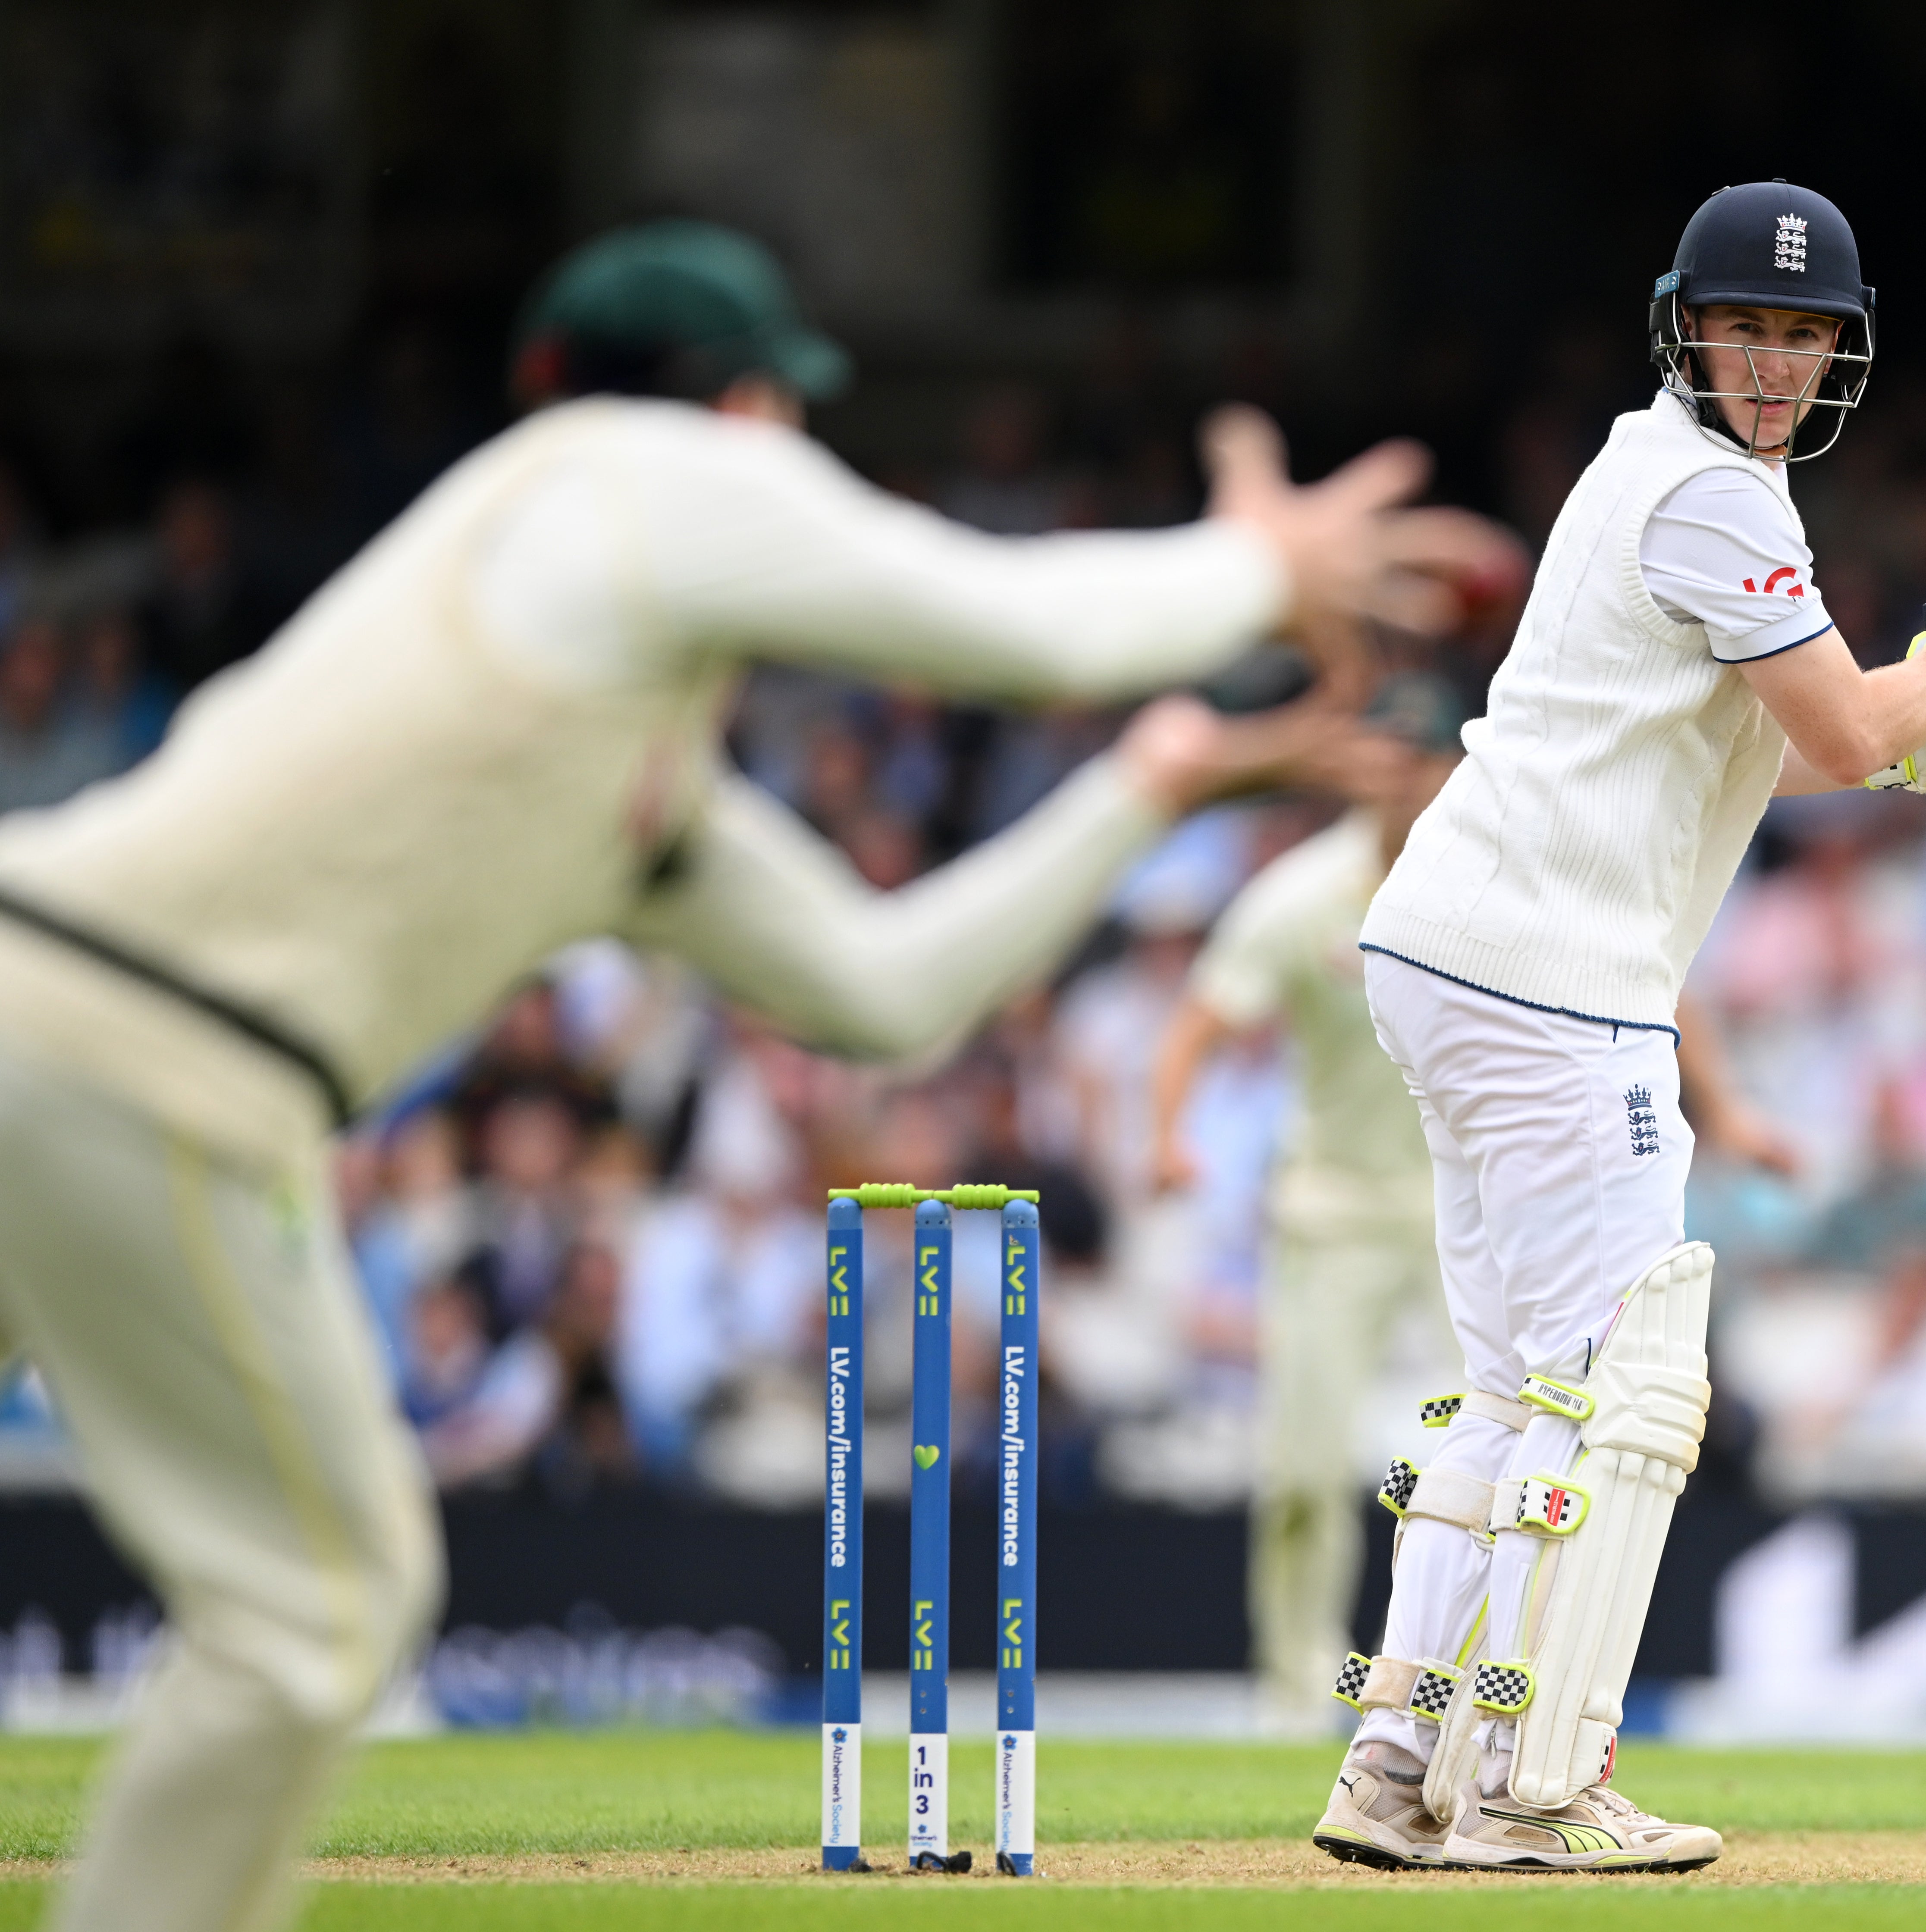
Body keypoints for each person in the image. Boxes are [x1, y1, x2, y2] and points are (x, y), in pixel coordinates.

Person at [0, 220, 1513, 1932]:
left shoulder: (624, 762)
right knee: (321, 1609)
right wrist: (1251, 565)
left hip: (58, 1017)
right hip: (130, 1045)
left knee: (313, 1611)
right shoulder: (619, 473)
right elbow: (1005, 622)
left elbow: (887, 993)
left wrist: (1145, 789)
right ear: (748, 408)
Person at [1319, 182, 1926, 1873]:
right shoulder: (1705, 496)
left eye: (1802, 337)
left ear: (1838, 356)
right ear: (1685, 327)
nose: (1771, 361)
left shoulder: (1661, 479)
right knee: (1616, 1394)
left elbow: (1812, 748)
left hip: (1458, 950)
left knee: (1518, 1395)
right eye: (1744, 327)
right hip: (1543, 977)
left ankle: (1393, 1755)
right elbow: (1841, 714)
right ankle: (1535, 1782)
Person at [1146, 675, 1469, 1736]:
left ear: (1449, 773)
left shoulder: (1492, 875)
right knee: (1300, 1474)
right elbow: (1201, 1016)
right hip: (1331, 1210)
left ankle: (1471, 1696)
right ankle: (1295, 1697)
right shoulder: (1302, 894)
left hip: (1465, 1216)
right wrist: (1165, 1137)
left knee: (1495, 1470)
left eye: (1417, 763)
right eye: (1378, 760)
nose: (1398, 781)